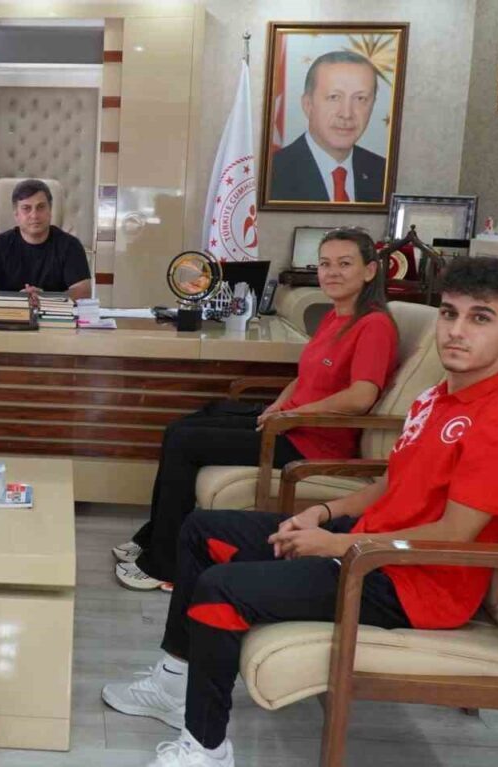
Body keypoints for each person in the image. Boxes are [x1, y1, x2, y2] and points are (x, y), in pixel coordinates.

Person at [101, 257, 498, 767]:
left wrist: (336, 545)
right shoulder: (437, 398)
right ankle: (173, 684)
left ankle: (206, 749)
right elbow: (392, 483)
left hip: (413, 583)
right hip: (369, 545)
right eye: (449, 313)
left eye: (480, 318)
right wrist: (323, 513)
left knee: (222, 588)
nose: (456, 331)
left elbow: (455, 534)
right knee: (201, 529)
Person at [114, 228, 398, 591]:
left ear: (370, 271)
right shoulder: (335, 316)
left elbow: (361, 396)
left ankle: (163, 566)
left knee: (186, 443)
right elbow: (305, 376)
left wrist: (293, 415)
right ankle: (154, 537)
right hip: (288, 423)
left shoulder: (373, 325)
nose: (332, 273)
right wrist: (279, 405)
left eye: (344, 264)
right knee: (184, 426)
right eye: (325, 264)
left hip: (311, 441)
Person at [267, 51, 387, 204]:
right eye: (334, 97)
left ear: (373, 105)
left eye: (360, 98)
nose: (346, 114)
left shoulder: (384, 174)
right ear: (308, 105)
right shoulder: (271, 174)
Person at [0, 179, 92, 306]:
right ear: (16, 214)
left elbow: (83, 292)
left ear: (50, 211)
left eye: (41, 207)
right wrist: (17, 300)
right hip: (8, 316)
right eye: (26, 208)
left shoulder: (70, 246)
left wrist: (45, 299)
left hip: (55, 317)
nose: (34, 215)